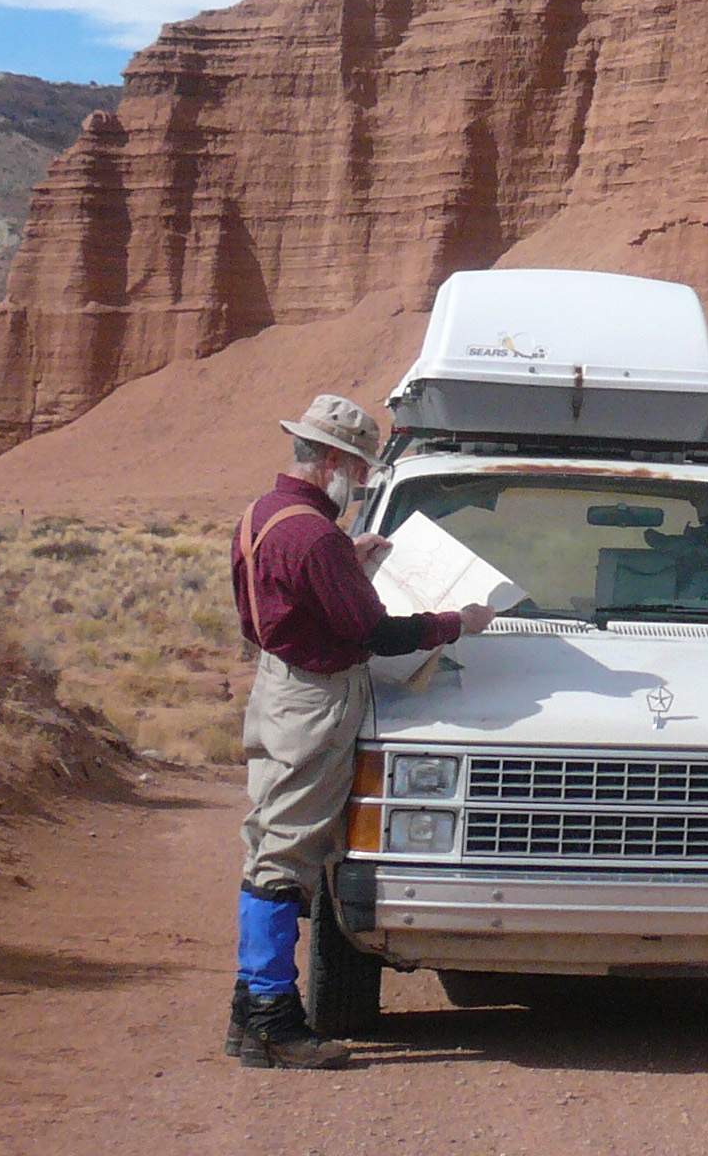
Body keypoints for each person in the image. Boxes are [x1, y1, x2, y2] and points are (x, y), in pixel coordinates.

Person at [226, 392, 496, 1069]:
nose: (366, 481)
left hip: (279, 687)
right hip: (315, 701)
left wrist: (349, 558)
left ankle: (250, 1010)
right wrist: (454, 623)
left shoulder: (266, 515)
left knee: (269, 840)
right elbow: (376, 633)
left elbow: (285, 595)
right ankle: (271, 1020)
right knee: (285, 854)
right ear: (334, 460)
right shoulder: (315, 537)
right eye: (361, 467)